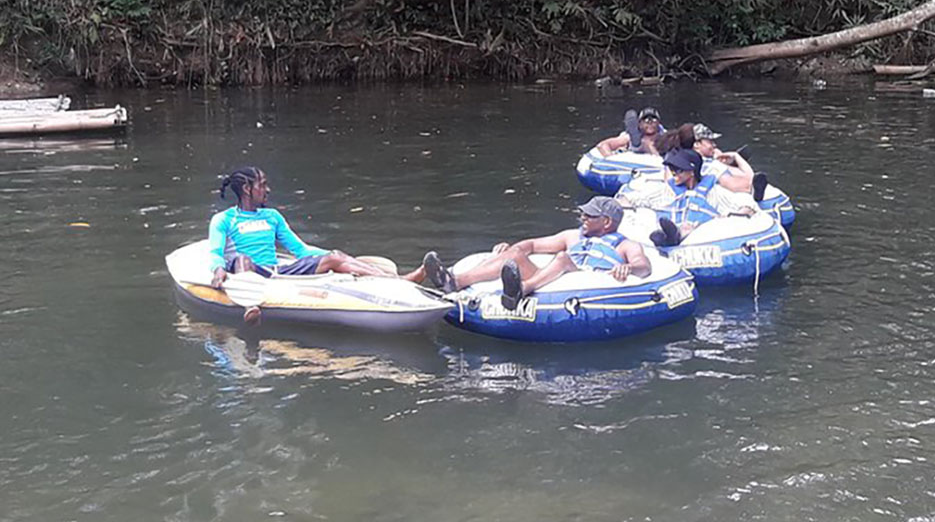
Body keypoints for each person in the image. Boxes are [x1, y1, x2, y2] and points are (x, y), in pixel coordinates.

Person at [208, 167, 424, 323]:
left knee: (337, 256)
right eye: (262, 185)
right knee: (243, 259)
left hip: (277, 270)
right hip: (248, 272)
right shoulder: (224, 219)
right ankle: (250, 306)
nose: (268, 189)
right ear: (247, 189)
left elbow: (300, 250)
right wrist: (218, 270)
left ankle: (400, 280)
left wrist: (341, 258)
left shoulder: (272, 216)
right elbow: (216, 252)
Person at [422, 196, 652, 310]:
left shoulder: (625, 245)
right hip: (553, 280)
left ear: (607, 222)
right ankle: (455, 281)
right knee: (516, 255)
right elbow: (532, 245)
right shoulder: (572, 236)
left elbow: (644, 266)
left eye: (589, 216)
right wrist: (512, 249)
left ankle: (521, 290)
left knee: (562, 258)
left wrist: (628, 267)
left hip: (587, 282)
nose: (583, 218)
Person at [650, 149, 754, 247]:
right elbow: (642, 198)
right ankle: (669, 237)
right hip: (675, 223)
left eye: (678, 170)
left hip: (699, 234)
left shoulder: (712, 191)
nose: (674, 174)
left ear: (691, 172)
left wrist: (740, 212)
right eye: (672, 170)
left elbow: (743, 202)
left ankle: (677, 236)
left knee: (688, 227)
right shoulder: (669, 189)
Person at [691, 122, 768, 201]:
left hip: (715, 167)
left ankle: (732, 164)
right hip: (732, 187)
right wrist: (736, 156)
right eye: (710, 142)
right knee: (745, 179)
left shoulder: (704, 159)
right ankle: (751, 188)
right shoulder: (708, 167)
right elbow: (750, 177)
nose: (714, 145)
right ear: (697, 144)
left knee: (720, 163)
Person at [595, 107, 664, 156]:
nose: (650, 124)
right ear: (639, 124)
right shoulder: (629, 137)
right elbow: (603, 145)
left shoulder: (664, 136)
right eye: (646, 121)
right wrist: (611, 159)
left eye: (654, 121)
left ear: (658, 123)